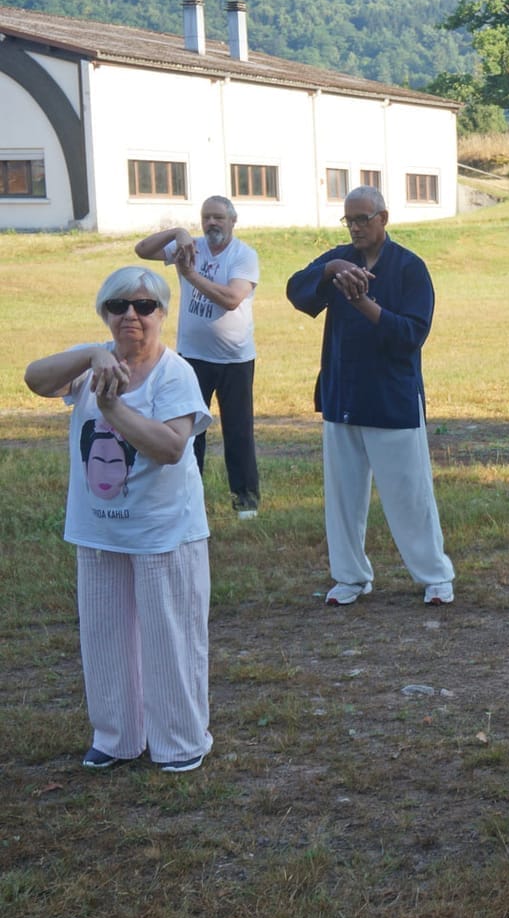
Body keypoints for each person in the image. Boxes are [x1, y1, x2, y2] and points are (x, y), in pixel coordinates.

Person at [24, 267, 214, 772]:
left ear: (162, 313)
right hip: (100, 529)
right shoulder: (94, 362)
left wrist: (112, 409)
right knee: (104, 637)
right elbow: (35, 379)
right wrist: (92, 355)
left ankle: (181, 742)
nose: (131, 314)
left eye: (144, 306)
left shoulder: (175, 373)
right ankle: (117, 737)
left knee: (170, 640)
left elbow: (171, 448)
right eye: (118, 305)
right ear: (105, 313)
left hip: (163, 531)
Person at [285, 186, 455, 607]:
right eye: (349, 220)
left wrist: (363, 303)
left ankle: (435, 576)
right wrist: (332, 269)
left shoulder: (410, 268)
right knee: (343, 496)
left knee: (409, 494)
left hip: (391, 398)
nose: (356, 228)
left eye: (363, 219)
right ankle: (350, 576)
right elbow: (296, 290)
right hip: (342, 394)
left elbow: (411, 334)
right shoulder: (340, 261)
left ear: (384, 218)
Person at [135, 196, 261, 519]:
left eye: (218, 217)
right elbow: (142, 250)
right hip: (192, 357)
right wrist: (176, 232)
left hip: (235, 359)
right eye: (206, 217)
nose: (212, 223)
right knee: (188, 430)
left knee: (238, 431)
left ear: (233, 220)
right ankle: (187, 492)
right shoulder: (190, 246)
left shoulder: (244, 255)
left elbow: (231, 299)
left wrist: (190, 275)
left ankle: (246, 502)